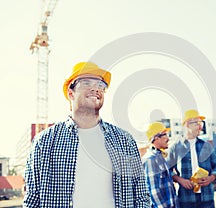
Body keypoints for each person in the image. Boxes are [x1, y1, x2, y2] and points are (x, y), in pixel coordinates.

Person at [23, 62, 150, 207]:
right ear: (71, 93)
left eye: (100, 85)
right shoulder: (44, 142)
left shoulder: (124, 141)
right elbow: (32, 200)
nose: (95, 88)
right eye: (86, 82)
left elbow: (141, 196)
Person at [166, 109, 216, 208]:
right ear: (187, 124)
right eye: (197, 123)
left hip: (207, 198)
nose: (200, 127)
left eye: (201, 123)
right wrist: (180, 180)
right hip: (186, 199)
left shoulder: (206, 146)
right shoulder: (175, 148)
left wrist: (211, 178)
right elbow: (167, 170)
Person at [142, 122, 179, 208]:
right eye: (165, 135)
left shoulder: (160, 157)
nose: (168, 138)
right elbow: (154, 191)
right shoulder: (150, 159)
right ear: (156, 138)